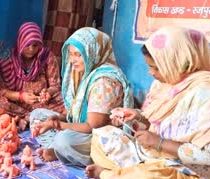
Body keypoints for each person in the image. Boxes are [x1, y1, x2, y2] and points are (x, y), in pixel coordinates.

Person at [85, 26, 210, 179]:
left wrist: (160, 143)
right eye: (150, 66)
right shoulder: (165, 83)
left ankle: (111, 176)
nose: (150, 73)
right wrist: (138, 119)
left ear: (180, 63)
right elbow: (154, 124)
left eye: (155, 67)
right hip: (152, 157)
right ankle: (124, 177)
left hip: (187, 174)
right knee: (102, 135)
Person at [30, 27, 133, 167]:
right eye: (71, 54)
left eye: (78, 55)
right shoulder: (87, 73)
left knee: (65, 139)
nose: (72, 60)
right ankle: (59, 149)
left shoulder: (104, 82)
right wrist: (57, 118)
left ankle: (61, 150)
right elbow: (75, 114)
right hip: (83, 129)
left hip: (100, 137)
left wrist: (57, 125)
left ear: (93, 53)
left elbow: (92, 127)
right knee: (37, 115)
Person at [0, 22, 65, 130]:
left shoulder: (46, 57)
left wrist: (47, 93)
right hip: (17, 104)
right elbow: (0, 90)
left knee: (67, 104)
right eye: (27, 45)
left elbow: (55, 85)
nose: (31, 49)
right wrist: (21, 96)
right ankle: (31, 117)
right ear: (21, 41)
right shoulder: (8, 59)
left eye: (35, 45)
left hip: (42, 103)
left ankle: (29, 119)